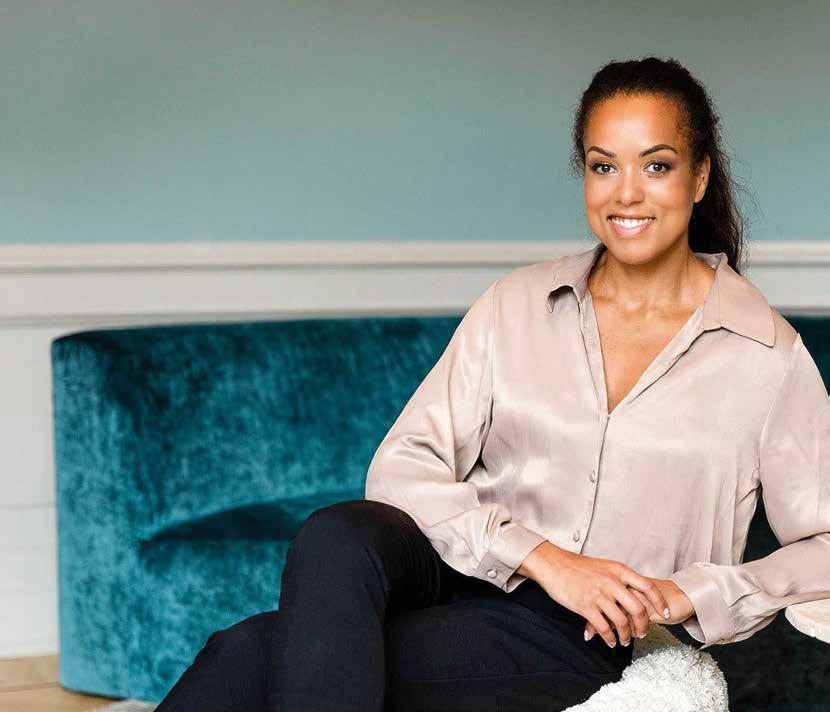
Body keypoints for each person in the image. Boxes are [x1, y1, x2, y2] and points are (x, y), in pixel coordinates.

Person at [155, 56, 830, 712]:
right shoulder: (517, 303)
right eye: (604, 166)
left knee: (250, 653)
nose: (626, 193)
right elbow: (401, 465)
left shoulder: (764, 353)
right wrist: (542, 557)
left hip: (582, 632)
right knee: (336, 532)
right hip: (461, 565)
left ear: (700, 175)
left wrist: (695, 592)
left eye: (656, 165)